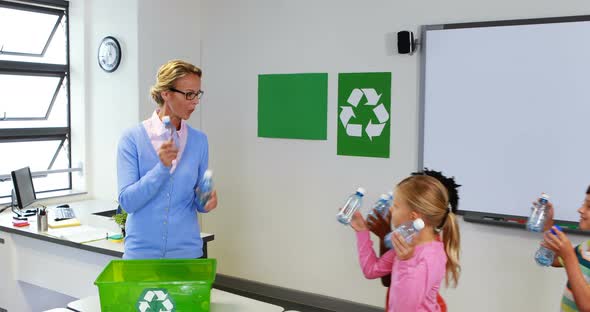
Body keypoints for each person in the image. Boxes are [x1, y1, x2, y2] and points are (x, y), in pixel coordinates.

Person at [117, 59, 218, 259]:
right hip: (142, 256)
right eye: (189, 94)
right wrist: (161, 168)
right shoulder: (132, 139)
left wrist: (206, 201)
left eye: (197, 94)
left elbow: (200, 199)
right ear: (166, 93)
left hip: (187, 255)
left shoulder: (199, 141)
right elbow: (127, 202)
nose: (195, 101)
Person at [351, 174, 461, 311]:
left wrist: (406, 261)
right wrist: (362, 232)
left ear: (413, 216)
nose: (391, 209)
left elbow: (403, 308)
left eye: (396, 206)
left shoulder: (431, 257)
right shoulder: (408, 243)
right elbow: (371, 270)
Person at [540, 185, 590, 312]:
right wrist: (547, 224)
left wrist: (569, 256)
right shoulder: (586, 246)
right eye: (583, 204)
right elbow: (553, 260)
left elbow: (587, 306)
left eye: (589, 206)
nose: (580, 209)